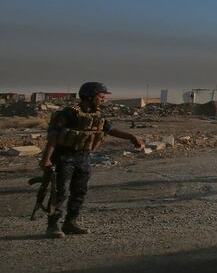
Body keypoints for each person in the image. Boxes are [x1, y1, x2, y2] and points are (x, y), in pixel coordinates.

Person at [39, 82, 144, 238]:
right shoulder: (70, 112)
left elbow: (109, 129)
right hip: (64, 157)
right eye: (101, 96)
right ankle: (53, 225)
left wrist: (131, 137)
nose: (103, 99)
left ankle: (70, 223)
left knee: (80, 191)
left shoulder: (97, 114)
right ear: (90, 96)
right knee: (59, 192)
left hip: (84, 157)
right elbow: (53, 136)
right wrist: (46, 159)